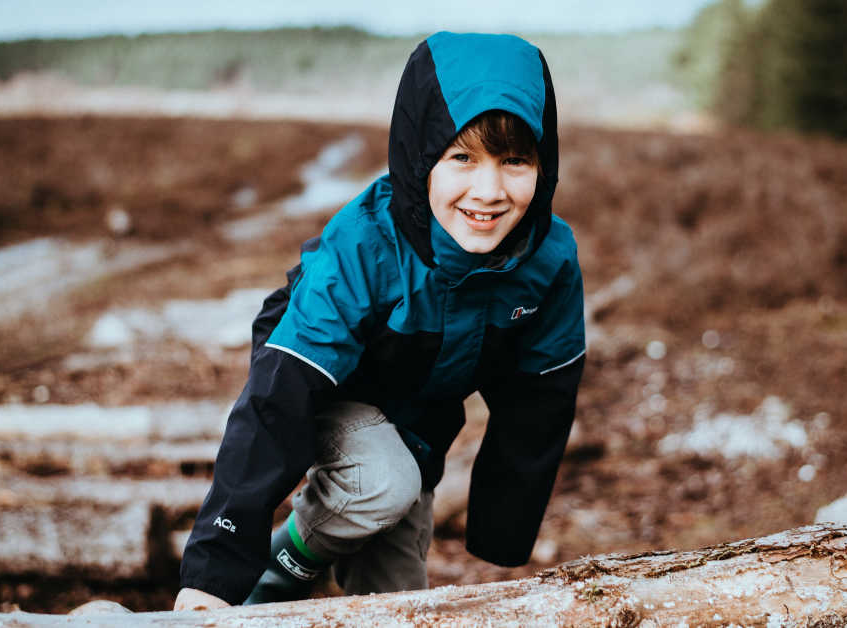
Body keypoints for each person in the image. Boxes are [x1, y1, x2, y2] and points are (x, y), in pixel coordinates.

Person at [174, 31, 585, 610]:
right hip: (317, 386)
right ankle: (270, 582)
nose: (489, 191)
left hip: (416, 424)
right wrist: (213, 571)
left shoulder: (547, 261)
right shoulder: (366, 246)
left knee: (395, 605)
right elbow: (277, 400)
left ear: (544, 163)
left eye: (514, 160)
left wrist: (503, 530)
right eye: (462, 158)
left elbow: (541, 395)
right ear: (421, 157)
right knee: (380, 483)